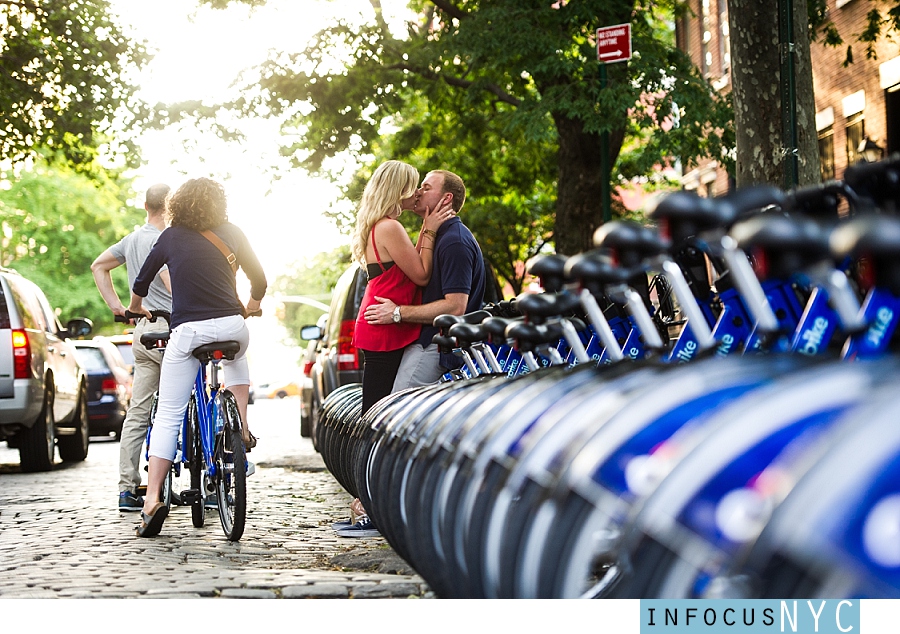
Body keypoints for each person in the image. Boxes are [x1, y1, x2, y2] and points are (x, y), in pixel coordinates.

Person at [128, 177, 267, 538]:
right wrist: (250, 309)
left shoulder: (170, 236)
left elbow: (140, 285)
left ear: (178, 205)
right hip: (234, 326)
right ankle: (243, 429)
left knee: (170, 413)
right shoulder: (232, 231)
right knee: (237, 360)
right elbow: (260, 281)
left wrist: (135, 309)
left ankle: (153, 499)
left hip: (190, 331)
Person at [335, 160, 455, 538]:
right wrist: (431, 231)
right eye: (412, 186)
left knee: (376, 411)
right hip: (385, 328)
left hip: (382, 323)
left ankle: (366, 499)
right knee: (376, 416)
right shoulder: (390, 226)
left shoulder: (380, 225)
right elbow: (420, 273)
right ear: (397, 189)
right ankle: (363, 502)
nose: (417, 192)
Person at [91, 183, 173, 512]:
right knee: (178, 408)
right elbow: (172, 284)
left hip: (142, 332)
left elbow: (99, 266)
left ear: (145, 205)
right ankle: (197, 482)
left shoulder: (133, 239)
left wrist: (119, 308)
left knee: (138, 412)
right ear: (171, 207)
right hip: (170, 329)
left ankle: (128, 488)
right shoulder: (165, 240)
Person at [364, 169, 486, 390]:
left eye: (426, 187)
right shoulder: (438, 235)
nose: (418, 192)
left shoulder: (454, 241)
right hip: (422, 340)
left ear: (446, 198)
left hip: (436, 345)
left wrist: (397, 312)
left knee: (395, 411)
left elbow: (455, 307)